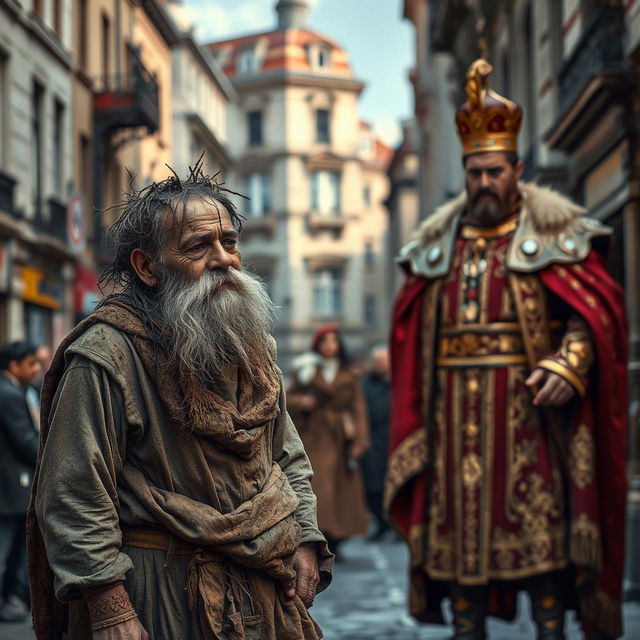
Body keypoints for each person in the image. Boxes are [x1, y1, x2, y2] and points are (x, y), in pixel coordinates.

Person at [27, 164, 333, 640]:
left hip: (261, 592)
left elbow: (286, 453)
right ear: (147, 267)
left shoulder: (252, 347)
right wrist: (110, 608)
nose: (223, 259)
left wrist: (306, 536)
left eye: (229, 243)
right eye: (197, 247)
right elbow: (73, 493)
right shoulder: (106, 354)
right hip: (157, 595)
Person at [384, 59, 627, 640]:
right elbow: (412, 338)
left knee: (545, 569)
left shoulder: (552, 239)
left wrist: (571, 364)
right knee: (461, 578)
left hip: (532, 428)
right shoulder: (436, 249)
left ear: (516, 168)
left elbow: (593, 318)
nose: (483, 184)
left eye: (494, 171)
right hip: (452, 438)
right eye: (474, 173)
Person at [288, 326, 370, 556]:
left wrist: (360, 441)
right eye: (325, 341)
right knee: (319, 486)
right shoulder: (307, 370)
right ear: (318, 345)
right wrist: (302, 401)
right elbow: (289, 397)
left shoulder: (349, 374)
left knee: (342, 489)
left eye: (334, 341)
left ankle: (338, 538)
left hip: (342, 436)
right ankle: (319, 534)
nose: (329, 346)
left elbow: (358, 408)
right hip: (316, 435)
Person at [0, 341, 40, 622]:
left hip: (11, 486)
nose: (37, 369)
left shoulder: (14, 391)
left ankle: (11, 599)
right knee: (6, 549)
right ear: (14, 366)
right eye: (31, 363)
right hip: (10, 487)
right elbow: (26, 442)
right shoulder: (9, 394)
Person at [360, 344, 391, 541]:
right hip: (373, 440)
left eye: (382, 360)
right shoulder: (364, 384)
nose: (379, 364)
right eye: (376, 361)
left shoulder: (399, 383)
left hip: (393, 439)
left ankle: (394, 525)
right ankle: (380, 524)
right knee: (373, 487)